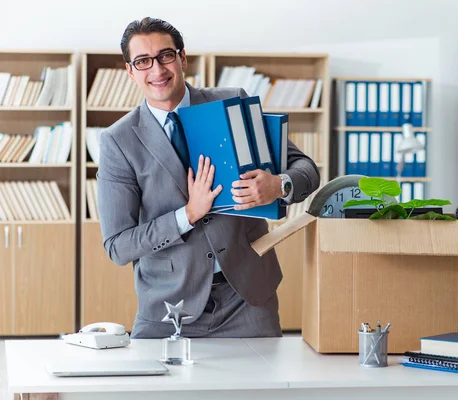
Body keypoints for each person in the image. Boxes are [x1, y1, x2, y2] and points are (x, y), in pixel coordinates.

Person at [97, 17, 320, 339]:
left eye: (165, 56)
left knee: (259, 391)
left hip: (247, 298)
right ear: (131, 71)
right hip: (168, 306)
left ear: (183, 58)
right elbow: (118, 246)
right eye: (143, 61)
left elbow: (307, 169)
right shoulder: (119, 140)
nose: (157, 70)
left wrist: (279, 185)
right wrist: (187, 214)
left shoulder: (233, 102)